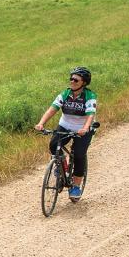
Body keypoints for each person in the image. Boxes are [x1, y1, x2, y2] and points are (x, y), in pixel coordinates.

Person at [34, 66, 97, 200]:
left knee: (79, 154)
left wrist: (85, 128)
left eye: (76, 80)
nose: (72, 81)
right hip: (65, 125)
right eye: (71, 79)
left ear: (83, 83)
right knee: (53, 145)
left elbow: (90, 115)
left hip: (82, 128)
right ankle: (62, 166)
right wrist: (41, 123)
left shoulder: (89, 96)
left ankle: (75, 186)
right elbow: (52, 109)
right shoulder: (65, 94)